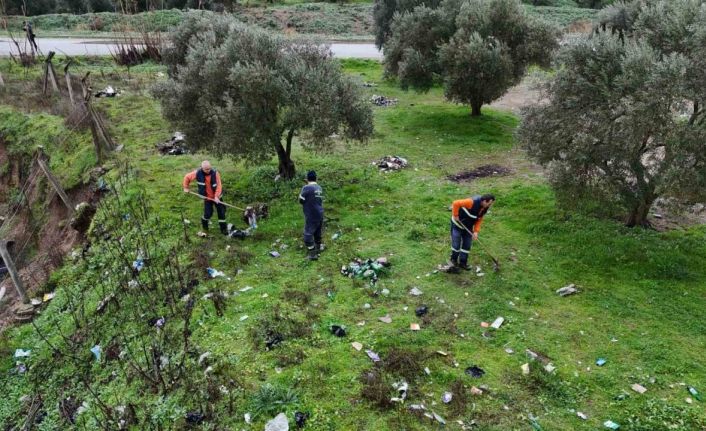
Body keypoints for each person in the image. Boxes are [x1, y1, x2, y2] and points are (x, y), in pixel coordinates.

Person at [449, 194, 495, 270]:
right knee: (456, 245)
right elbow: (455, 203)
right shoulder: (471, 202)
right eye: (489, 203)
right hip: (457, 225)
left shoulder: (484, 208)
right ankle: (453, 260)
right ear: (484, 201)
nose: (489, 205)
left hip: (468, 227)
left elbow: (479, 220)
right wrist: (455, 215)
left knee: (467, 245)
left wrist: (476, 232)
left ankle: (463, 263)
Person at [183, 161, 228, 235]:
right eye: (206, 169)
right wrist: (186, 187)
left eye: (209, 168)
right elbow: (187, 177)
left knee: (221, 213)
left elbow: (219, 186)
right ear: (202, 168)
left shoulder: (215, 173)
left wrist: (216, 196)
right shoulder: (197, 173)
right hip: (207, 198)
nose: (208, 170)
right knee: (208, 214)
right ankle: (205, 228)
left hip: (218, 197)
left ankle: (224, 230)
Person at [299, 170, 324, 261]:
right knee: (317, 232)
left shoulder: (306, 188)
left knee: (307, 234)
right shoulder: (319, 187)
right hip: (320, 213)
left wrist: (306, 185)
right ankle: (318, 248)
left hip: (311, 214)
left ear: (307, 178)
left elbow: (301, 200)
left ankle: (312, 254)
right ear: (316, 178)